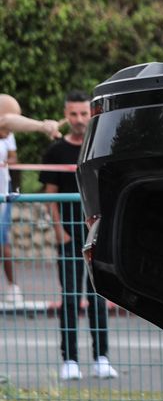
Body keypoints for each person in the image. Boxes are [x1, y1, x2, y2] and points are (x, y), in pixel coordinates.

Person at [41, 91, 116, 380]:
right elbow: (50, 197)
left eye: (84, 113)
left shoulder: (101, 146)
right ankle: (70, 359)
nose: (79, 120)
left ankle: (102, 357)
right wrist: (59, 230)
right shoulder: (55, 152)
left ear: (91, 113)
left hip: (96, 236)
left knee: (98, 297)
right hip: (70, 238)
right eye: (73, 114)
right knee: (70, 298)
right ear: (66, 114)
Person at [0, 94, 62, 308]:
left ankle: (11, 287)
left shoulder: (5, 138)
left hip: (2, 200)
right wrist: (43, 126)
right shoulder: (4, 124)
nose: (12, 129)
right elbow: (7, 121)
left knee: (3, 243)